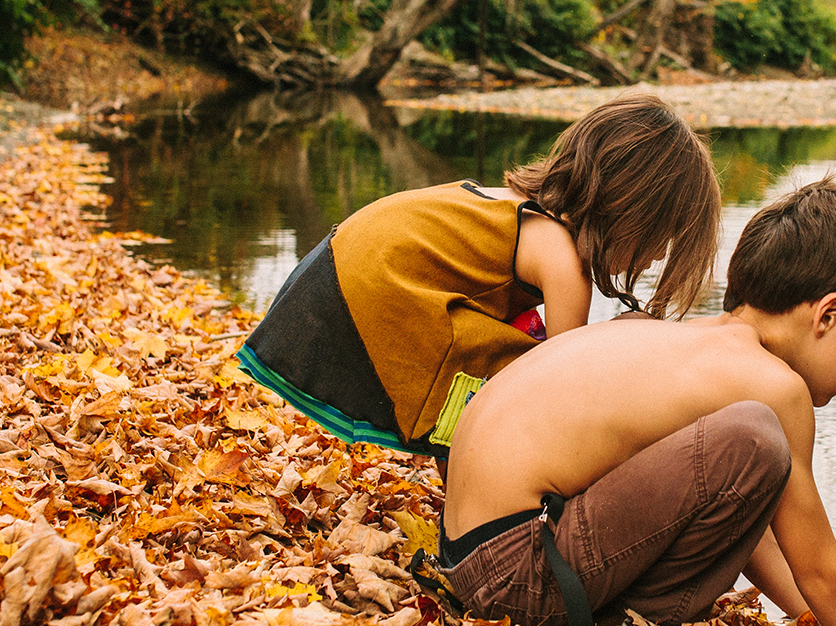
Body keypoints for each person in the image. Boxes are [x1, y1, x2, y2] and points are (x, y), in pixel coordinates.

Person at [439, 178, 836, 626]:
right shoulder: (774, 387)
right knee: (756, 440)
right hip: (520, 579)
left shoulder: (679, 340)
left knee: (750, 451)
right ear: (829, 314)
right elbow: (820, 568)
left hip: (468, 557)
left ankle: (619, 620)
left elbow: (752, 522)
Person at [239, 92, 721, 459]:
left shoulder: (516, 207)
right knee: (531, 376)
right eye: (661, 237)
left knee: (519, 340)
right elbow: (567, 386)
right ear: (629, 209)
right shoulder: (563, 260)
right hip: (377, 289)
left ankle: (464, 465)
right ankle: (479, 482)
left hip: (333, 267)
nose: (658, 256)